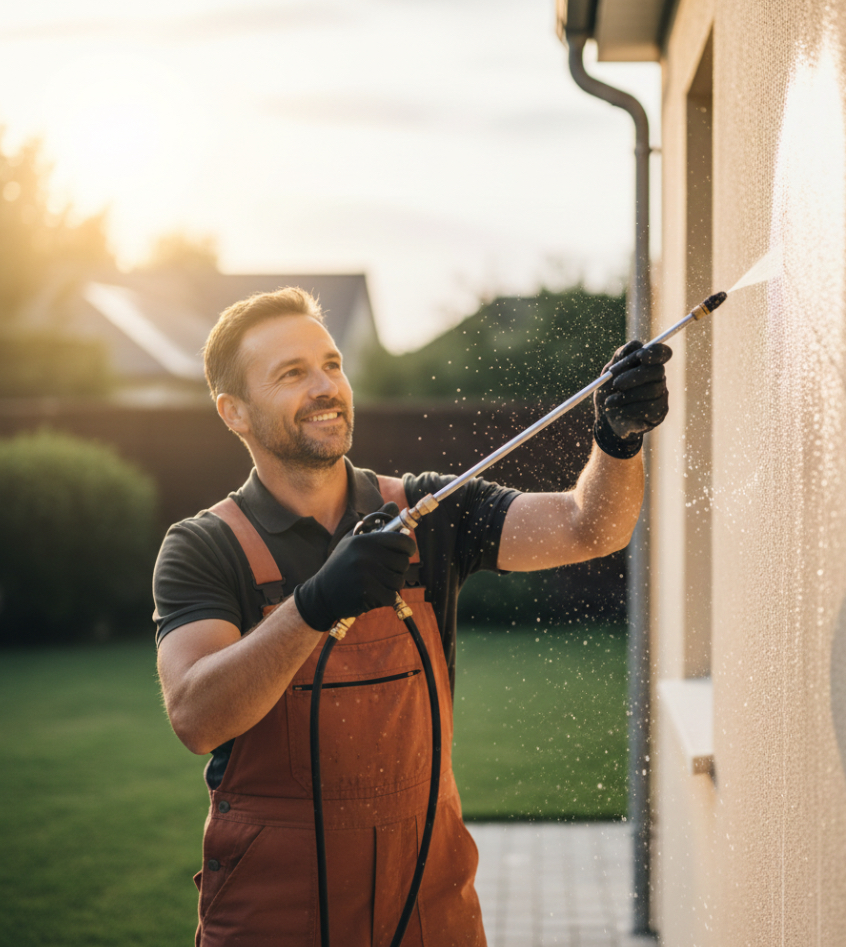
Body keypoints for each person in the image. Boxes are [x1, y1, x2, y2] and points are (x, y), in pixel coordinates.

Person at [153, 286, 671, 947]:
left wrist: (618, 441)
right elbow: (196, 716)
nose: (325, 386)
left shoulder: (429, 510)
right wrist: (314, 604)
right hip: (276, 917)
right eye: (292, 373)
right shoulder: (203, 546)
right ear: (235, 412)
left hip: (430, 906)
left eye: (331, 364)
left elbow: (587, 526)